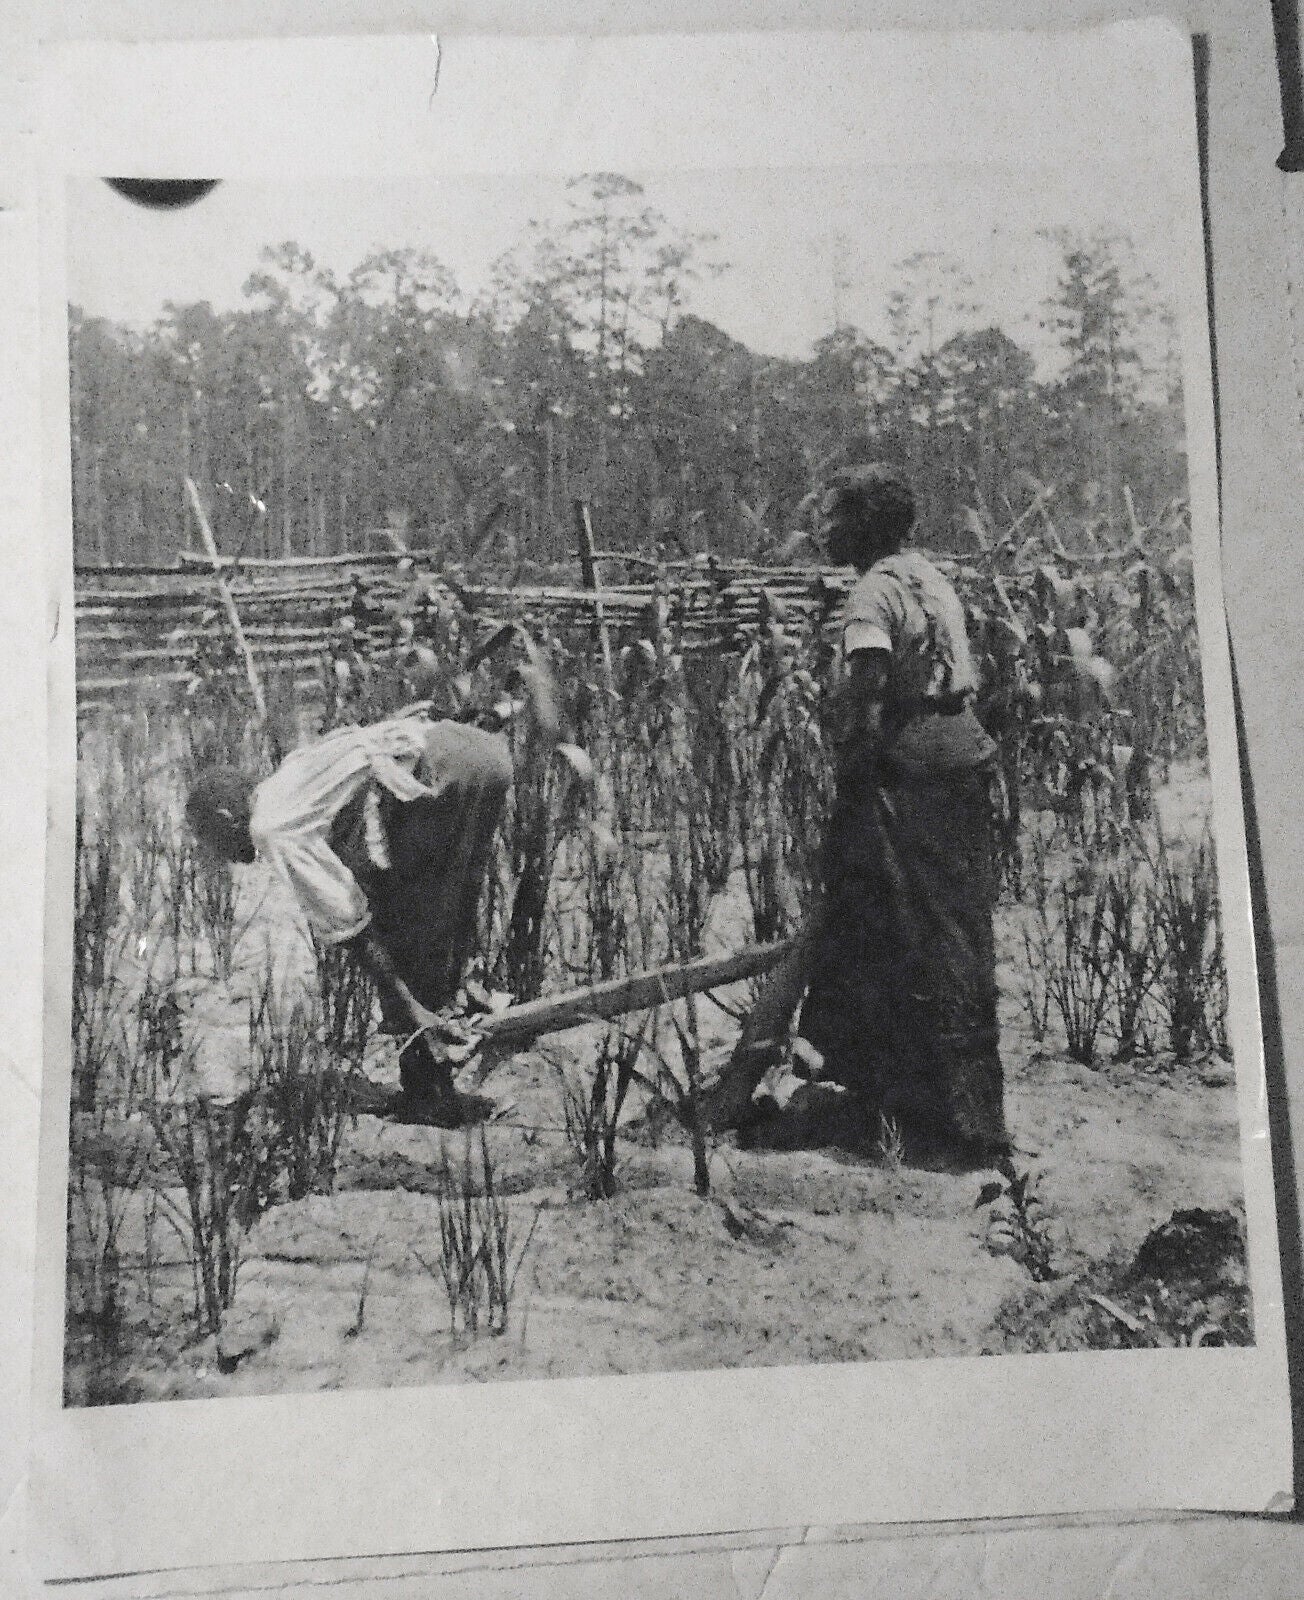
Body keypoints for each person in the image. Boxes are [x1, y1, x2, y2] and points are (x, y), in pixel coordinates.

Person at [711, 463, 1009, 1167]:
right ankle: (950, 1110)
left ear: (864, 526)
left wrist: (853, 757)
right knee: (953, 930)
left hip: (905, 765)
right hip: (961, 754)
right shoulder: (930, 577)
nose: (824, 531)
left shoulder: (873, 593)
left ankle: (903, 1109)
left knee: (891, 929)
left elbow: (869, 686)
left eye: (836, 517)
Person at [186, 709, 512, 1127]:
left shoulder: (271, 827)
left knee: (408, 941)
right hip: (473, 750)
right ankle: (427, 1083)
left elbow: (352, 927)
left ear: (225, 820)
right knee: (422, 923)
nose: (221, 857)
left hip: (443, 765)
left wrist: (409, 1007)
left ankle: (432, 1090)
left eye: (210, 841)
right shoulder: (288, 780)